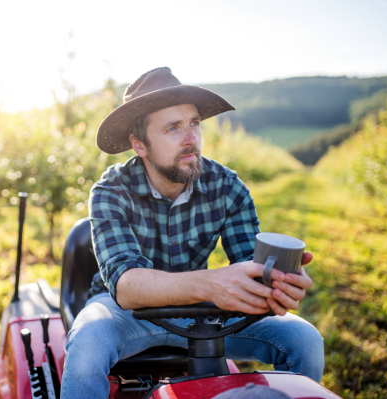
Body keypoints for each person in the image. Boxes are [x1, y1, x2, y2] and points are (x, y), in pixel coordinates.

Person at [60, 67, 324, 398]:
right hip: (124, 313)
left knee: (305, 340)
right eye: (173, 128)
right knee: (86, 344)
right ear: (139, 145)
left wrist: (275, 286)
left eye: (194, 123)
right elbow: (125, 286)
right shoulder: (111, 191)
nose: (191, 139)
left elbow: (247, 262)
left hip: (203, 313)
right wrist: (212, 284)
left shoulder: (227, 186)